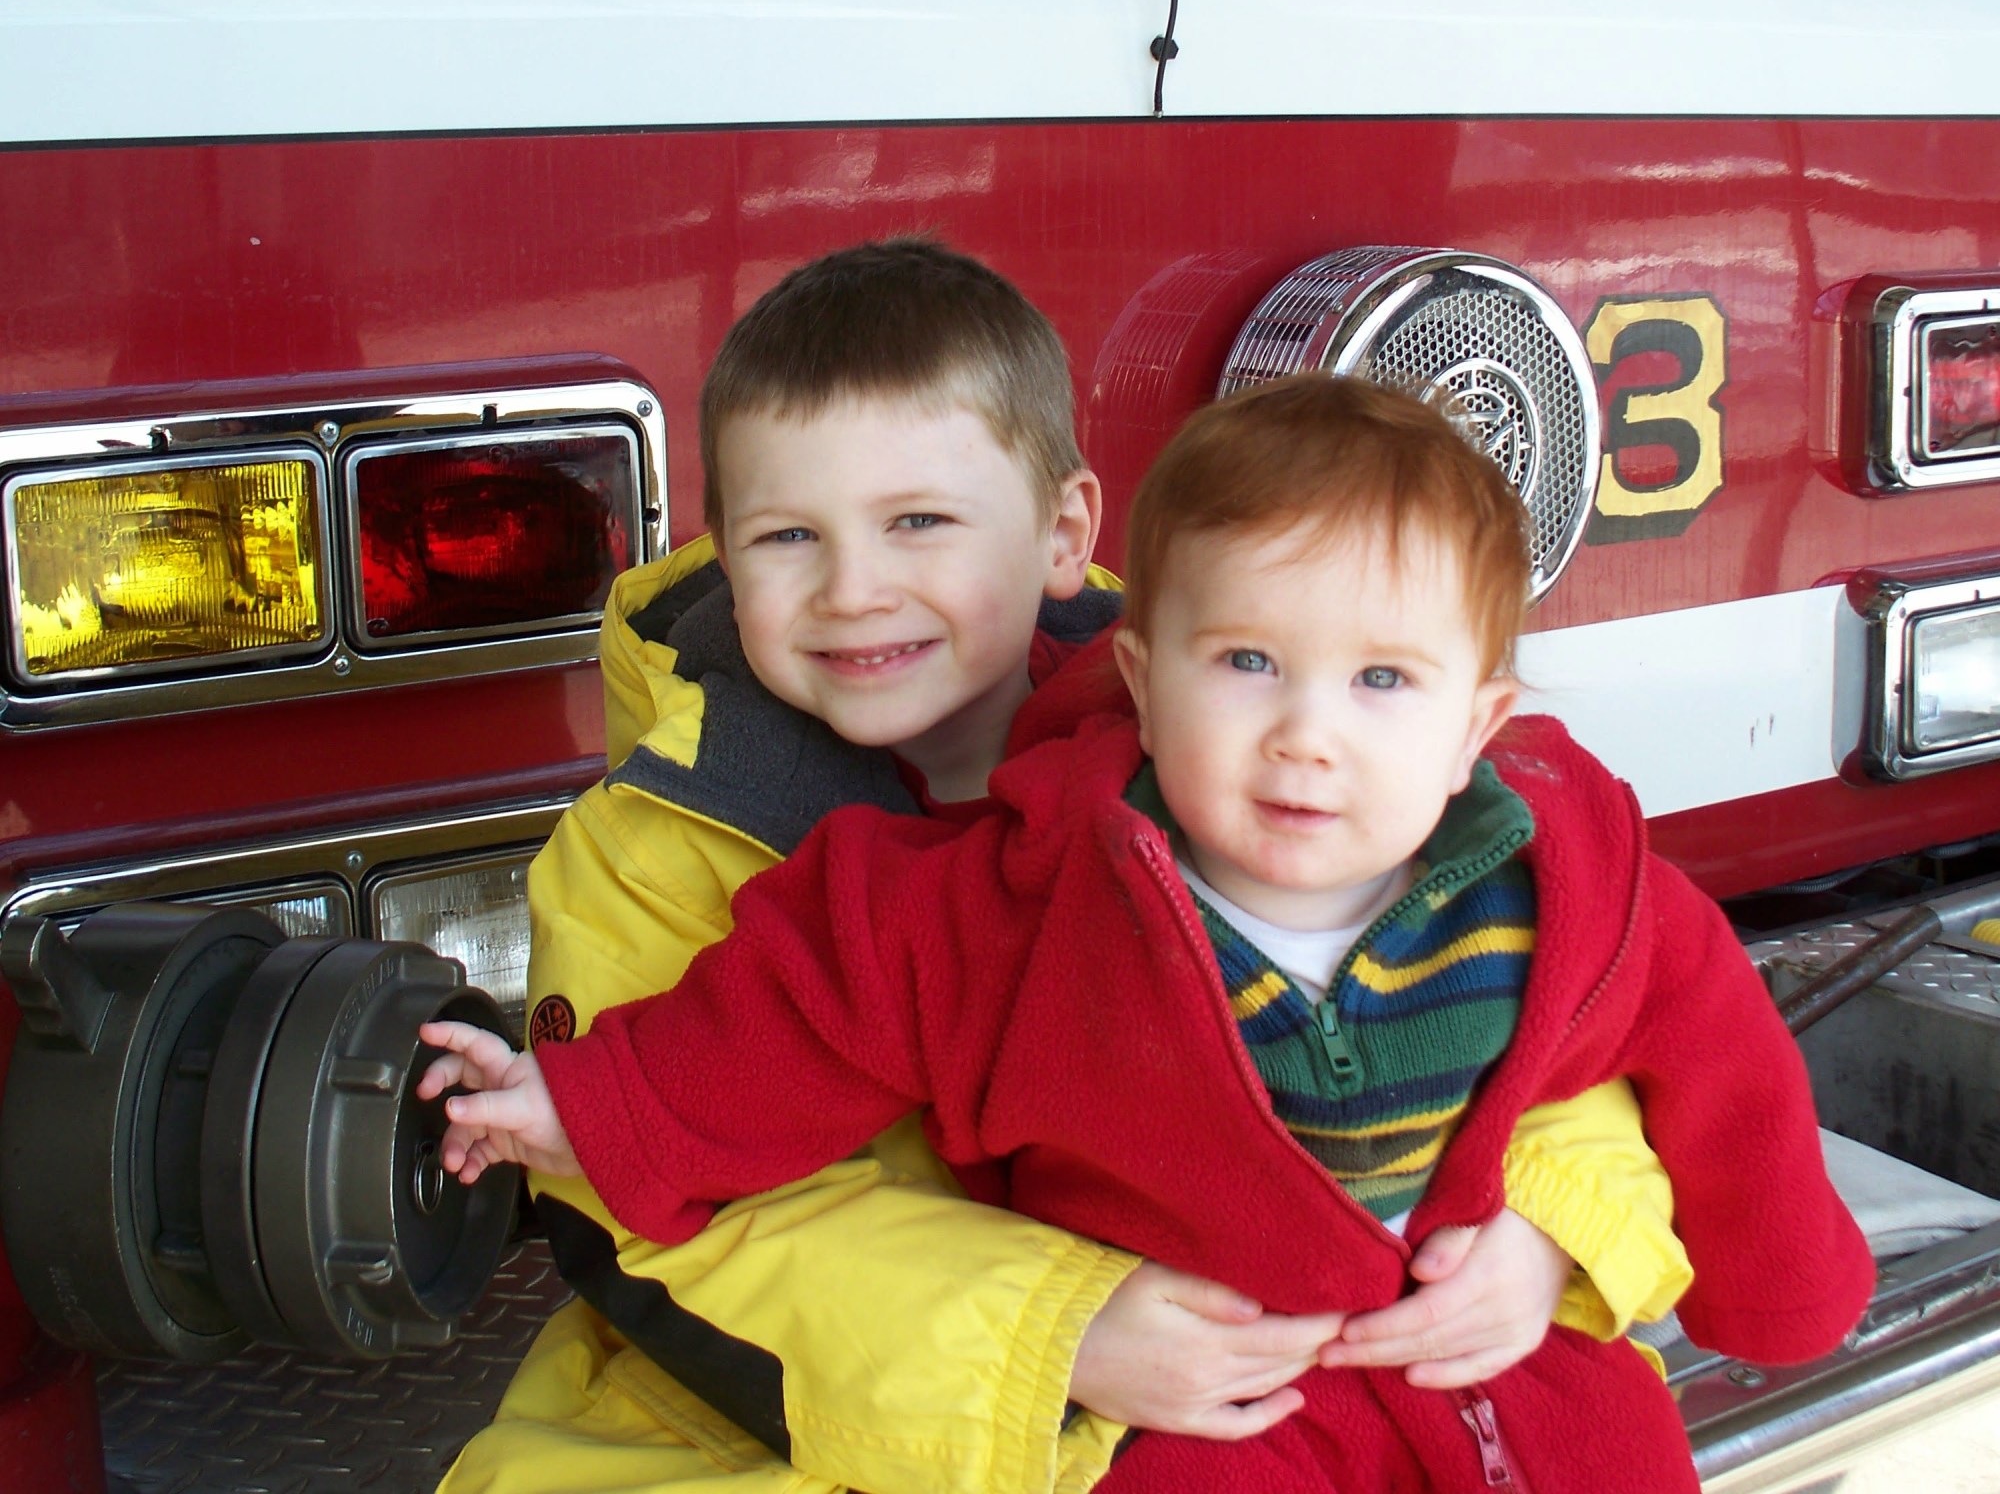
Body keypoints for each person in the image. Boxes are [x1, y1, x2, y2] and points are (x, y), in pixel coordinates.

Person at [436, 246, 1698, 1494]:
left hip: (1292, 1383)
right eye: (786, 537)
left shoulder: (1231, 724)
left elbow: (1534, 1009)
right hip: (802, 1418)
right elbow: (645, 1217)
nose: (854, 590)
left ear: (1061, 532)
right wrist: (1065, 1334)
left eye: (919, 521)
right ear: (725, 549)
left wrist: (1543, 1229)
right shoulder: (655, 848)